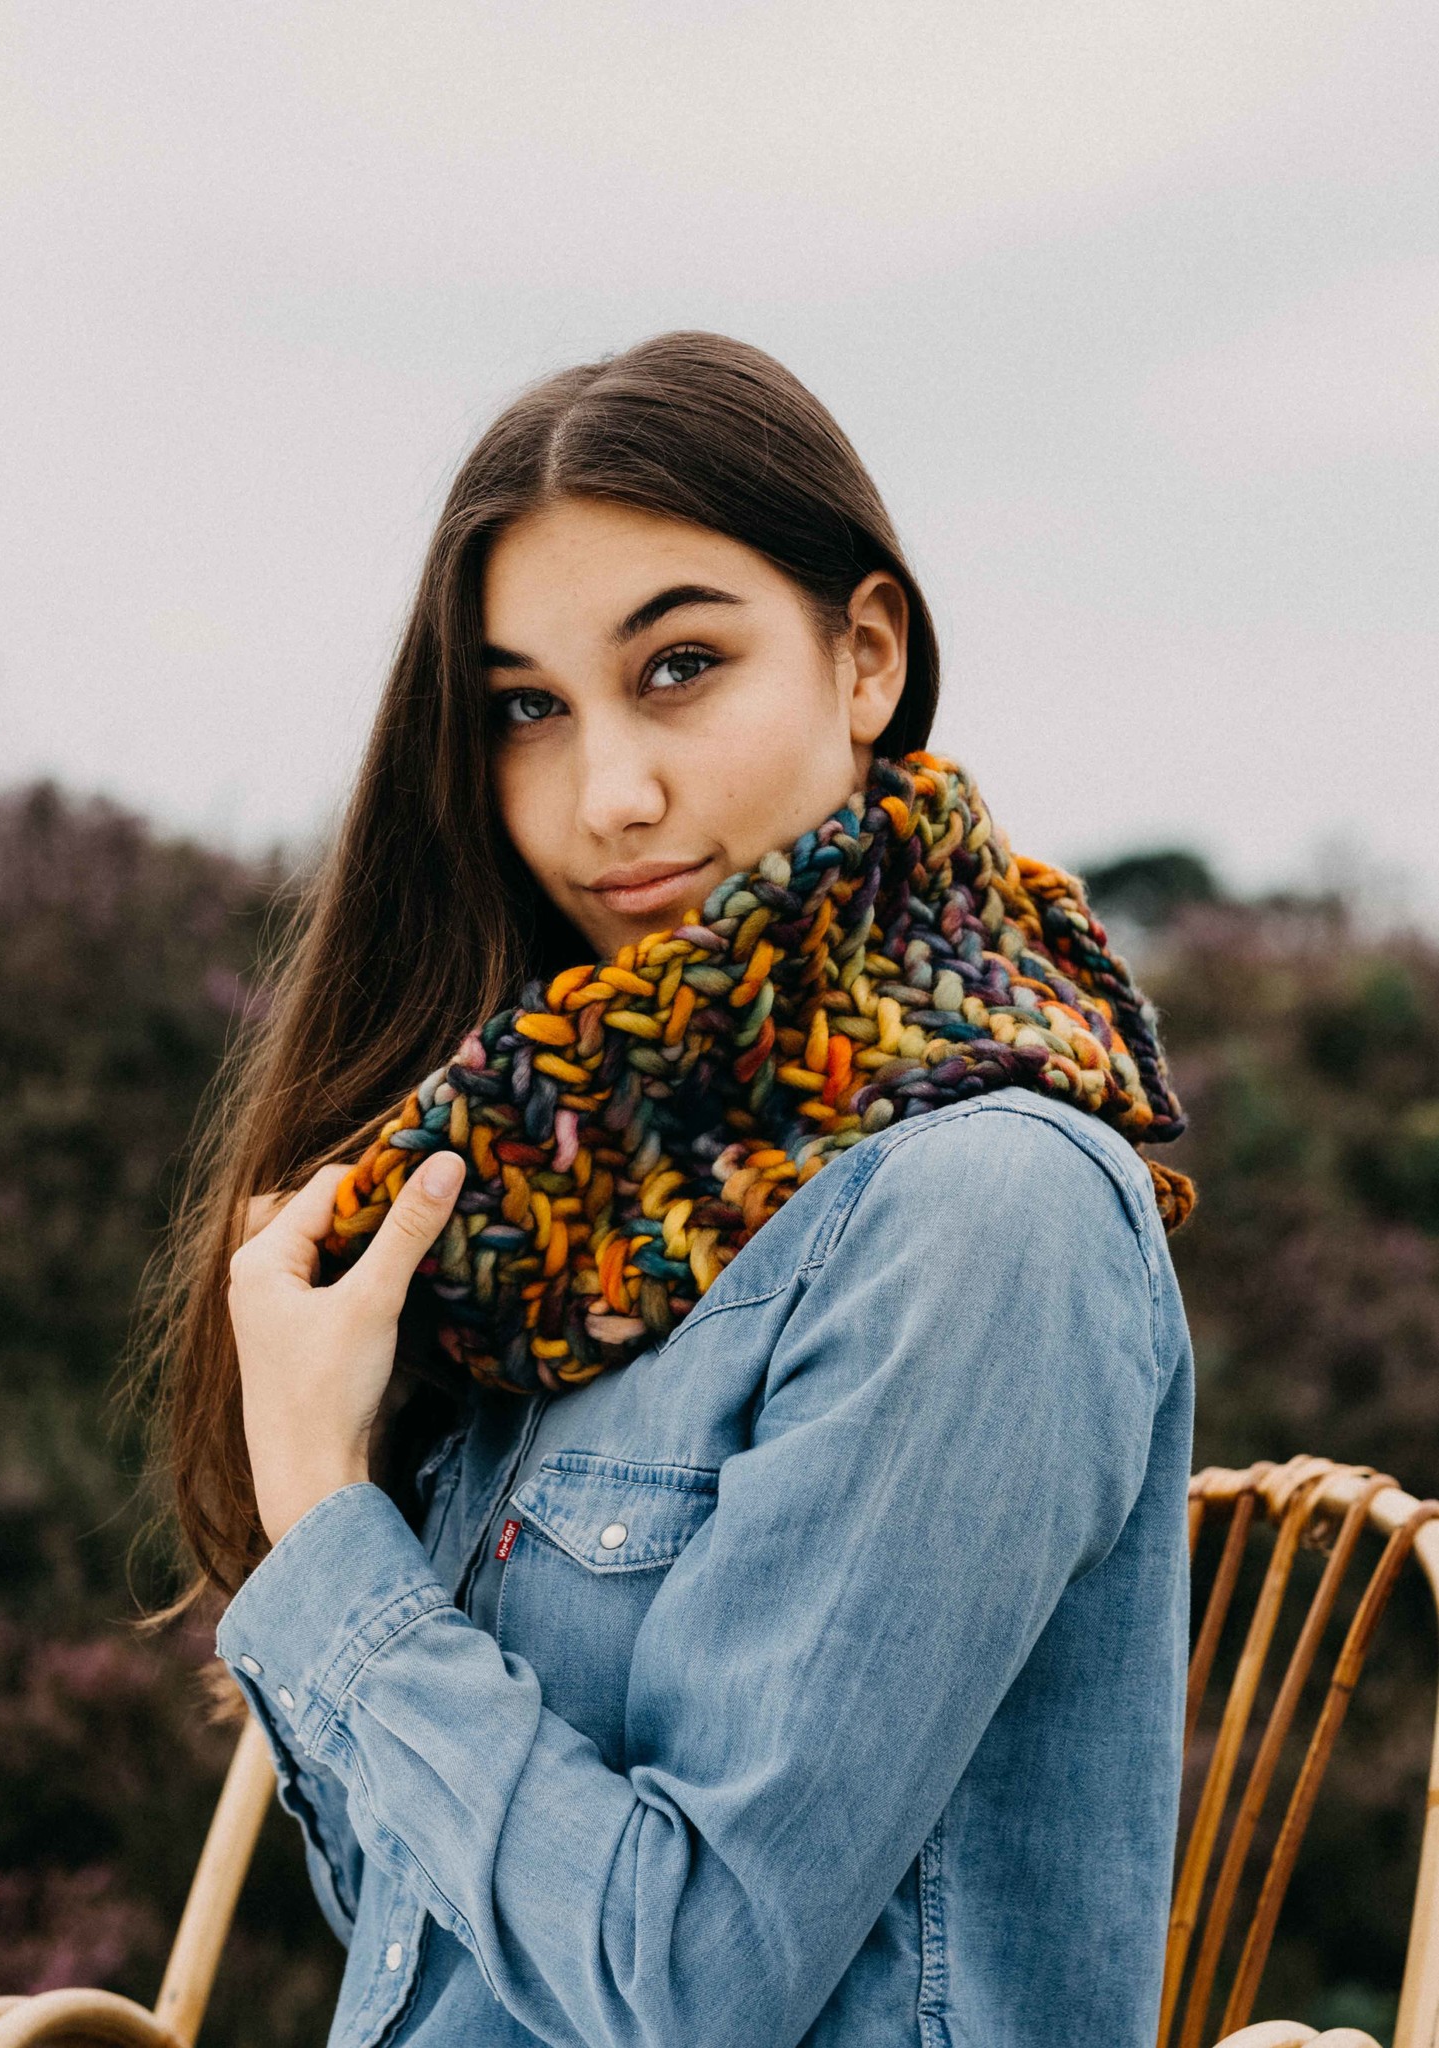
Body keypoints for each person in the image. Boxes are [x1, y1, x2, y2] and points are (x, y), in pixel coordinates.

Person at [138, 330, 1196, 2047]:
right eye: (526, 709)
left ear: (864, 657)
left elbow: (684, 1990)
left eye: (681, 666)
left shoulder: (987, 1215)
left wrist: (326, 1516)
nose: (608, 797)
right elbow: (421, 1935)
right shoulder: (564, 1214)